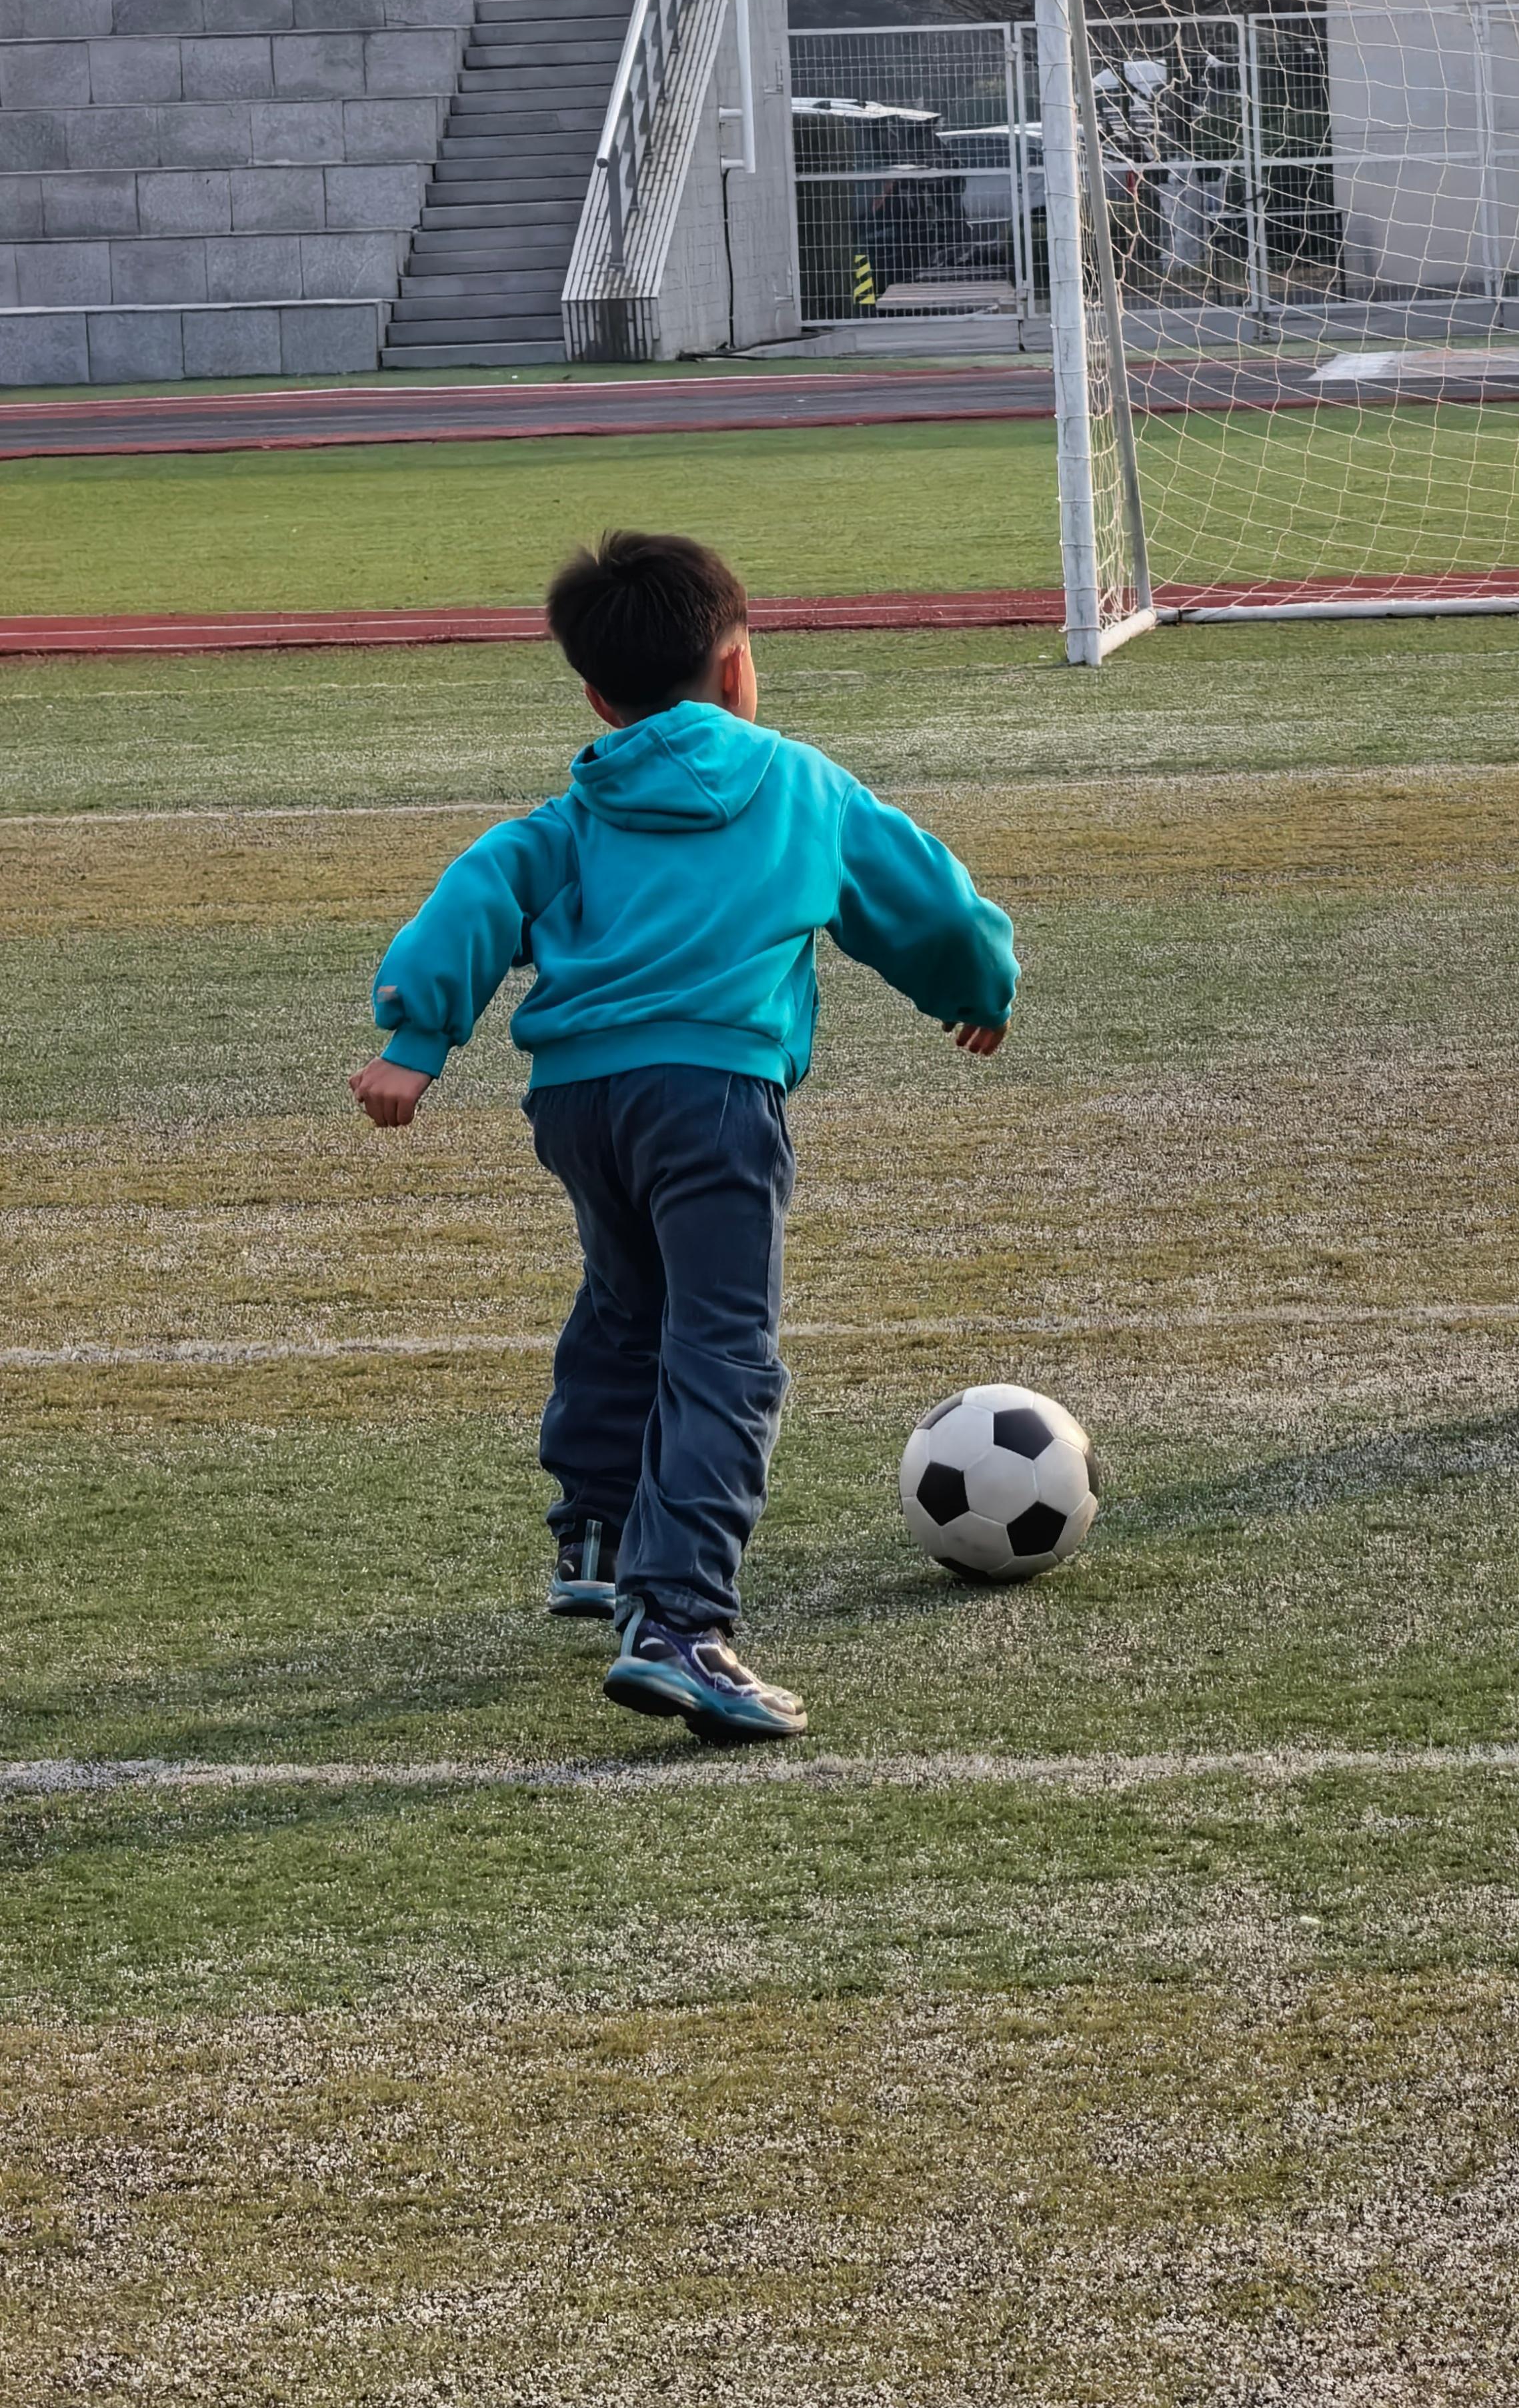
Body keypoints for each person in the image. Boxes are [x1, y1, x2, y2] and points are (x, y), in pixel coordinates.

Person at [349, 529, 1018, 1742]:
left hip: (579, 1105)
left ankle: (599, 1535)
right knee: (727, 1352)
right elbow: (923, 898)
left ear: (597, 694)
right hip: (713, 1101)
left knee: (625, 1304)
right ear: (737, 667)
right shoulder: (800, 786)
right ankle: (678, 1619)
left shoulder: (574, 812)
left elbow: (481, 889)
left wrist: (414, 1038)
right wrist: (977, 984)